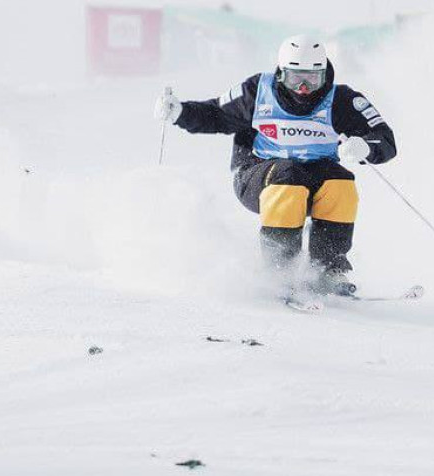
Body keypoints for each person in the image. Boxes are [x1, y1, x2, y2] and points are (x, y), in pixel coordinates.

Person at [154, 34, 397, 295]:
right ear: (281, 73)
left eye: (312, 79)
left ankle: (327, 270)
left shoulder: (341, 100)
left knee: (341, 182)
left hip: (313, 181)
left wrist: (367, 147)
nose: (304, 88)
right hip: (256, 176)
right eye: (296, 78)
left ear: (324, 74)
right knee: (287, 175)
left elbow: (384, 138)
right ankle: (281, 271)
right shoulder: (257, 92)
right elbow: (217, 114)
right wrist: (180, 112)